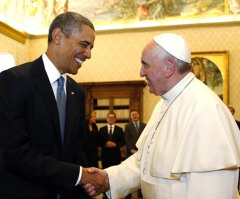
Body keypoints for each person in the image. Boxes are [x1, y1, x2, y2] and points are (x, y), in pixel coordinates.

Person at [85, 33, 240, 199]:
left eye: (146, 65)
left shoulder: (206, 110)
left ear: (169, 67)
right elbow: (144, 162)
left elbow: (211, 192)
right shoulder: (163, 104)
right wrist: (108, 179)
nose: (141, 72)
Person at [0, 12, 108, 199]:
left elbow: (78, 152)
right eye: (84, 45)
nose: (89, 54)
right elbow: (16, 154)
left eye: (91, 48)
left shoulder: (77, 93)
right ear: (57, 36)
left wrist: (85, 184)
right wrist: (79, 176)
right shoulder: (14, 81)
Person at [124, 110, 146, 199]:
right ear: (131, 117)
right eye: (132, 115)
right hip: (130, 153)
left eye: (136, 114)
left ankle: (140, 194)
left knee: (141, 174)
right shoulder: (127, 126)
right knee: (129, 174)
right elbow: (126, 139)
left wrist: (140, 150)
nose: (134, 116)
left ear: (139, 115)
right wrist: (132, 150)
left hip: (142, 153)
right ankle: (128, 194)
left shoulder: (144, 125)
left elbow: (146, 138)